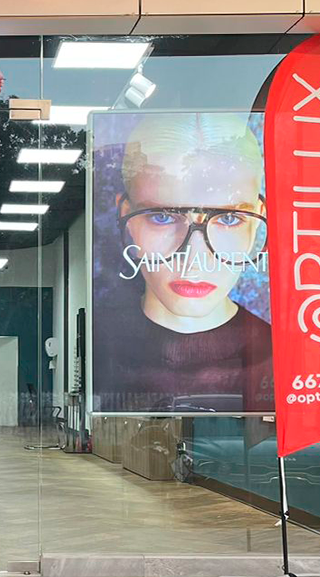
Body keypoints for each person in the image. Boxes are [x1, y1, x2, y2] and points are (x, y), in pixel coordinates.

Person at [102, 111, 273, 411]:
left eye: (229, 218)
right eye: (162, 217)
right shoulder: (98, 345)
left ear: (257, 221)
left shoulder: (284, 356)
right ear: (126, 217)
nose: (193, 259)